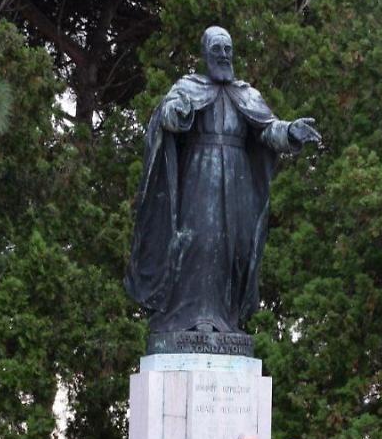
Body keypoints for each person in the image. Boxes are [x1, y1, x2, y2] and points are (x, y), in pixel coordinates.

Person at [125, 25, 321, 336]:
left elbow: (269, 129)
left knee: (236, 246)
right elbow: (168, 119)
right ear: (205, 53)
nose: (224, 55)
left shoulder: (247, 94)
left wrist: (291, 131)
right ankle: (193, 316)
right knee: (200, 241)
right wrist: (176, 110)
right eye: (217, 49)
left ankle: (226, 318)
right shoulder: (188, 87)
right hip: (199, 176)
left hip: (237, 176)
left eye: (228, 49)